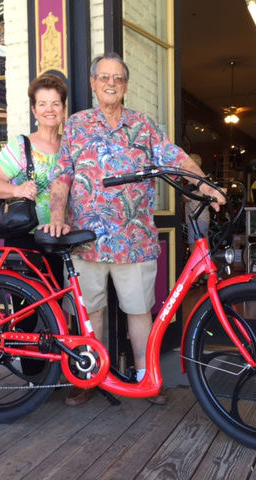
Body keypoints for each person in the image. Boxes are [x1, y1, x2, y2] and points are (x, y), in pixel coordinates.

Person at [43, 52, 226, 407]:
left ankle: (145, 378)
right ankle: (88, 377)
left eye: (118, 78)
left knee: (139, 311)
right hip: (86, 240)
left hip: (134, 238)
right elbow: (62, 174)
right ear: (94, 83)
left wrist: (204, 185)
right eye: (104, 77)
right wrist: (56, 213)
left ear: (125, 86)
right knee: (90, 310)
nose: (111, 83)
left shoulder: (144, 125)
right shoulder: (78, 125)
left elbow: (175, 157)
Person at [0, 73, 67, 375]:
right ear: (34, 110)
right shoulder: (22, 147)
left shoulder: (68, 147)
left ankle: (53, 369)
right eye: (42, 103)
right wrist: (18, 190)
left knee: (56, 309)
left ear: (63, 108)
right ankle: (32, 375)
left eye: (55, 103)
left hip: (58, 240)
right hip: (26, 241)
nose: (49, 109)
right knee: (28, 310)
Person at [184, 153, 210, 287]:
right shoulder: (201, 180)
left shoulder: (193, 182)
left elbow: (186, 198)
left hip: (196, 218)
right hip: (202, 217)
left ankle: (197, 277)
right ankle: (206, 275)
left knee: (194, 247)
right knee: (203, 246)